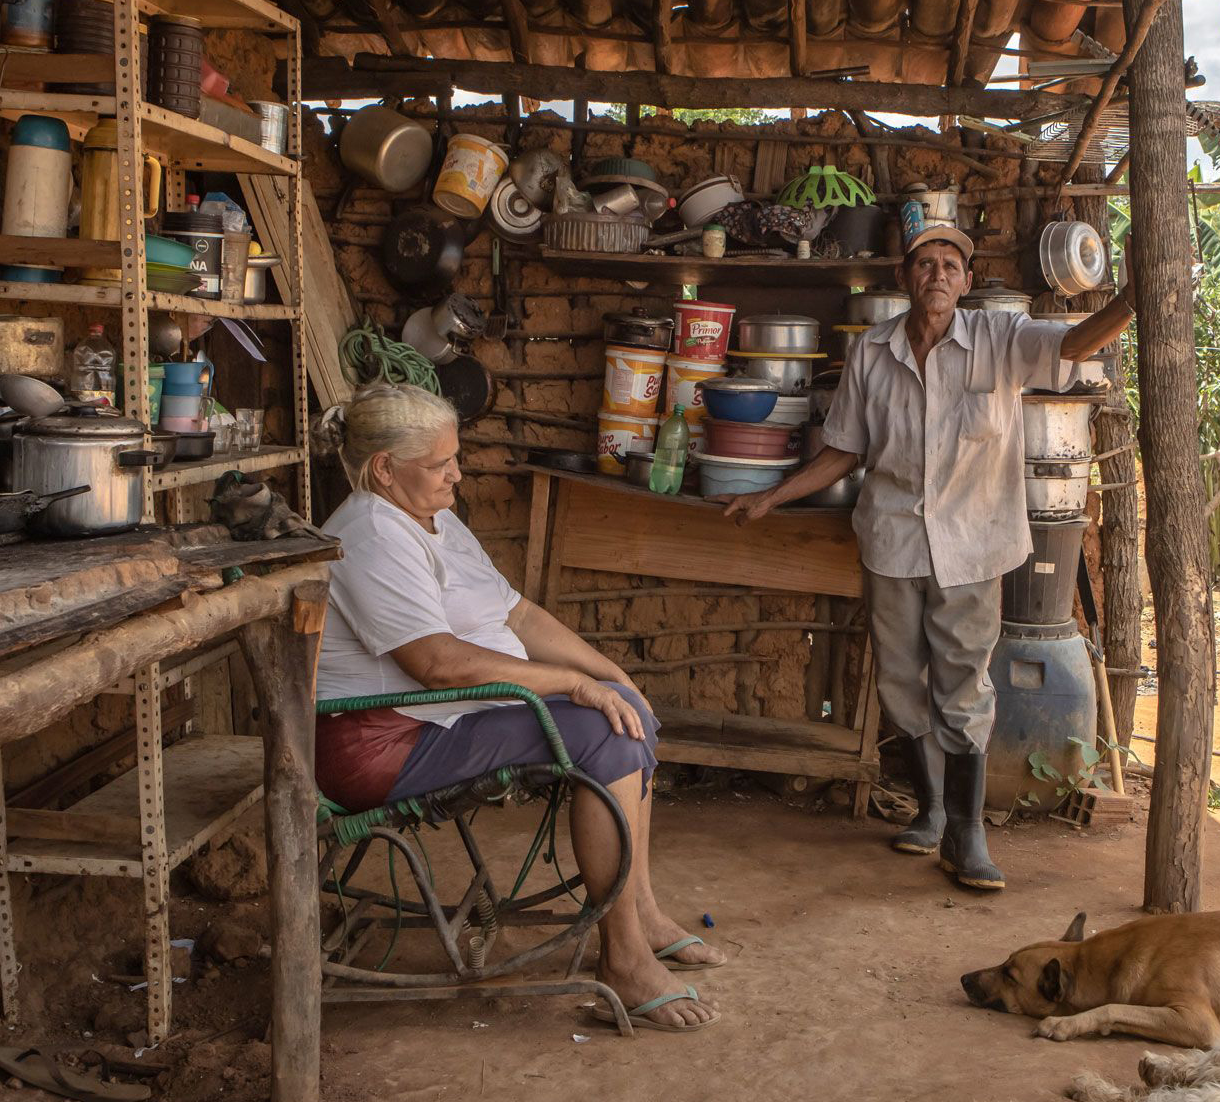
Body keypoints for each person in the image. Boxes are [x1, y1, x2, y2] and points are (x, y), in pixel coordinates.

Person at [723, 225, 1136, 890]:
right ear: (905, 275)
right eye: (925, 263)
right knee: (900, 681)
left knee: (964, 683)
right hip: (892, 541)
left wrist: (1132, 301)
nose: (938, 274)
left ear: (967, 281)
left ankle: (968, 835)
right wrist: (775, 495)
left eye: (950, 264)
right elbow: (845, 449)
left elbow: (1072, 345)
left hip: (972, 544)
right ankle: (932, 807)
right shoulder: (873, 353)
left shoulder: (1001, 340)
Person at [315, 382, 723, 1032]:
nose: (457, 472)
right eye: (439, 462)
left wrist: (609, 673)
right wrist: (567, 685)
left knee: (622, 708)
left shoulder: (432, 517)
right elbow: (436, 663)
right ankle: (623, 957)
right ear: (385, 468)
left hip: (440, 718)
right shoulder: (371, 533)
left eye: (456, 455)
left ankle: (638, 909)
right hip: (383, 741)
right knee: (602, 730)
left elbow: (517, 611)